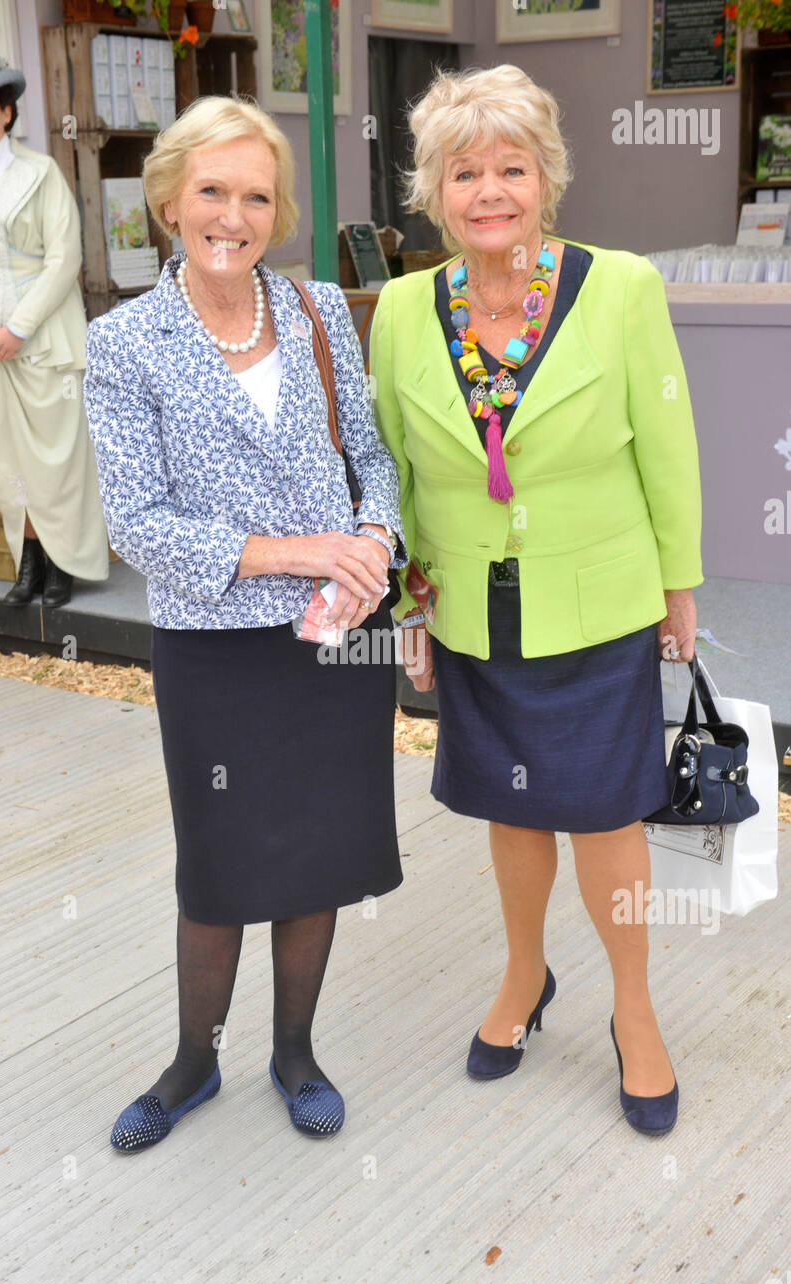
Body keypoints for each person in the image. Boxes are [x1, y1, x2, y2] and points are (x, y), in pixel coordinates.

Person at [370, 65, 705, 1137]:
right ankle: (525, 978)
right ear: (433, 188)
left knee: (608, 811)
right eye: (463, 171)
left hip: (600, 599)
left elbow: (669, 445)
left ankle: (636, 1008)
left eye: (511, 166)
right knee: (512, 805)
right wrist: (410, 604)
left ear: (546, 176)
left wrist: (677, 583)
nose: (489, 190)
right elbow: (399, 465)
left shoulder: (620, 288)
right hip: (472, 602)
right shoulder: (407, 312)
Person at [83, 95, 407, 1151]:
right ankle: (193, 1063)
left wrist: (369, 542)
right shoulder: (124, 342)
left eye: (257, 194)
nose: (234, 212)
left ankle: (295, 1050)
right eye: (212, 190)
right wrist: (299, 551)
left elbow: (371, 458)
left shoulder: (315, 312)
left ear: (280, 210)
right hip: (216, 645)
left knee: (319, 853)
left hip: (334, 638)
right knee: (220, 868)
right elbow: (136, 524)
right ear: (169, 200)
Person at [0, 43, 109, 607]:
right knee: (6, 462)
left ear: (7, 113)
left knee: (55, 458)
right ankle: (30, 563)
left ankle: (64, 564)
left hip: (41, 344)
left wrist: (16, 327)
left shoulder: (41, 175)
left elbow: (63, 259)